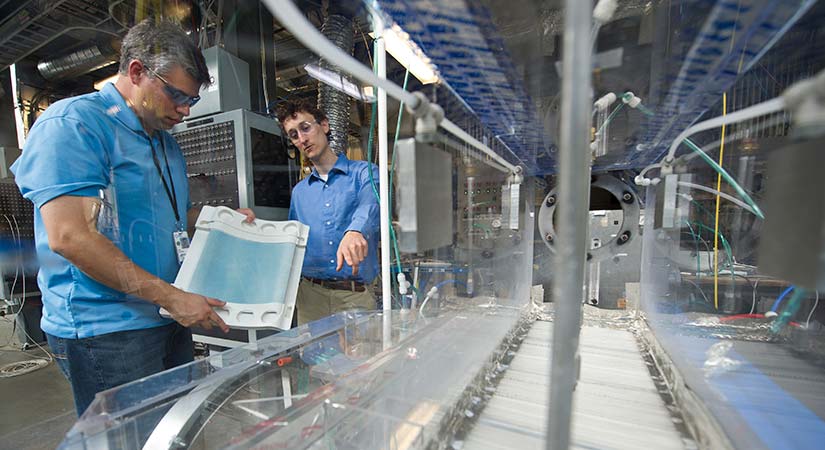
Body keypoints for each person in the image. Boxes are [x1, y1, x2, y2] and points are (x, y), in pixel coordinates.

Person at [11, 19, 253, 416]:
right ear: (137, 72)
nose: (183, 110)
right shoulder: (75, 124)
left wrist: (217, 219)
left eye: (190, 101)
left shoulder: (164, 142)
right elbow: (71, 237)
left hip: (163, 315)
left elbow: (169, 218)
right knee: (131, 440)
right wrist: (173, 298)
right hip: (107, 329)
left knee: (171, 432)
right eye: (176, 94)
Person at [277, 99, 380, 325]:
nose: (302, 139)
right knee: (316, 359)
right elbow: (293, 243)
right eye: (294, 135)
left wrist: (355, 231)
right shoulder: (300, 193)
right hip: (311, 298)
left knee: (363, 360)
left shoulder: (364, 173)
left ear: (324, 125)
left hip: (355, 296)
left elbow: (371, 204)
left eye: (305, 128)